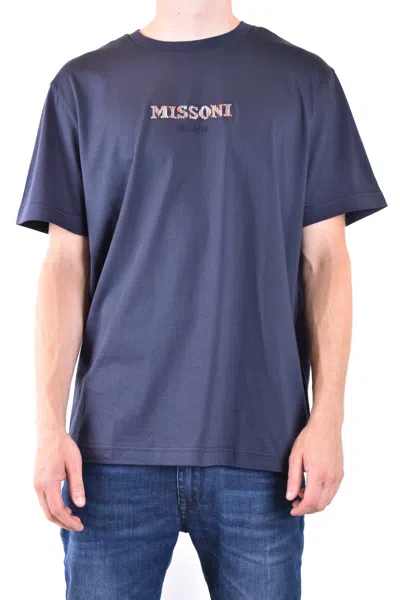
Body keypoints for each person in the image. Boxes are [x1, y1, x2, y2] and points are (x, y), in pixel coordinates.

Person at [16, 1, 387, 598]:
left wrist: (329, 419)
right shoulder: (83, 86)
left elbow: (327, 262)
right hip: (109, 453)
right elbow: (63, 266)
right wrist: (45, 426)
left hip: (264, 447)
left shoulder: (304, 81)